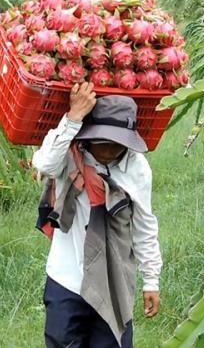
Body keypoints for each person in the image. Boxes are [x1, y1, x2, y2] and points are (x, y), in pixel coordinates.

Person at [32, 82, 163, 348]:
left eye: (118, 144)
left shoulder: (137, 168)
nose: (111, 150)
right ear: (89, 136)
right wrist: (73, 117)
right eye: (104, 142)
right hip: (67, 278)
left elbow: (144, 226)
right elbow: (43, 163)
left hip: (114, 282)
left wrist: (151, 280)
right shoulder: (69, 153)